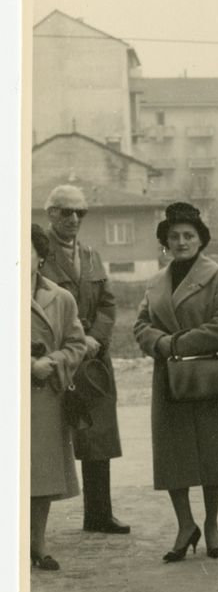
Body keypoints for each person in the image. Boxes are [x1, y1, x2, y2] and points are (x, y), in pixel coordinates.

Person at [134, 202, 218, 561]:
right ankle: (185, 524)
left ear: (201, 240)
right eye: (173, 237)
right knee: (173, 455)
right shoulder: (155, 281)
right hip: (169, 379)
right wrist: (160, 343)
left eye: (188, 236)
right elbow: (140, 326)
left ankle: (211, 524)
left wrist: (175, 343)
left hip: (208, 376)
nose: (180, 242)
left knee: (215, 453)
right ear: (165, 243)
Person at [41, 185, 129, 534]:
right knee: (46, 438)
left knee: (99, 437)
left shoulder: (92, 255)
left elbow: (108, 303)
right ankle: (34, 527)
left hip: (92, 360)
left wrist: (95, 339)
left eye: (80, 212)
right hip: (55, 357)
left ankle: (99, 514)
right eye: (66, 211)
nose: (74, 219)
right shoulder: (36, 253)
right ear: (50, 214)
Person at [30, 224, 87, 571]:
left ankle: (38, 544)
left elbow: (77, 344)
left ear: (40, 256)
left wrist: (52, 361)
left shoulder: (61, 298)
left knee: (42, 478)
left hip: (47, 399)